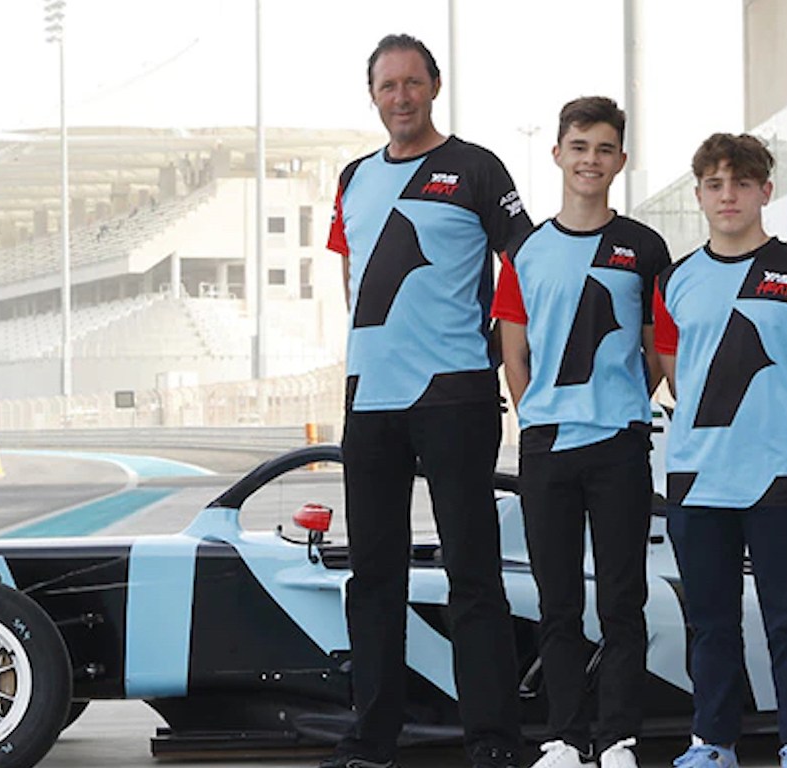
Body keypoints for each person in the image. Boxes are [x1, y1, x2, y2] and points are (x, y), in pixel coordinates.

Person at [323, 33, 532, 768]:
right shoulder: (351, 177)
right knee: (373, 575)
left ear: (434, 87)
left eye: (413, 82)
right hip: (370, 401)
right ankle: (371, 738)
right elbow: (350, 277)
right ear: (373, 95)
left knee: (472, 573)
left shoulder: (476, 167)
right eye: (388, 86)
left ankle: (493, 741)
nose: (401, 97)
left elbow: (525, 266)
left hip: (455, 394)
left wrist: (518, 369)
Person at [652, 133, 787, 768]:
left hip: (780, 480)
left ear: (766, 191)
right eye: (715, 184)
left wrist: (776, 425)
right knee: (710, 624)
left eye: (741, 183)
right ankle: (712, 743)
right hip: (698, 478)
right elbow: (680, 374)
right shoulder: (675, 280)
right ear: (699, 196)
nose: (728, 195)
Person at [491, 96, 667, 768]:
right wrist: (541, 414)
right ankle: (565, 736)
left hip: (619, 442)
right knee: (558, 599)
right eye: (579, 146)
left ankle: (618, 737)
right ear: (558, 153)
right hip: (547, 445)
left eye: (603, 148)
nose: (590, 159)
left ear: (621, 160)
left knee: (624, 598)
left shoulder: (645, 248)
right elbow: (516, 354)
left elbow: (655, 351)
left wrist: (619, 401)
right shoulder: (527, 250)